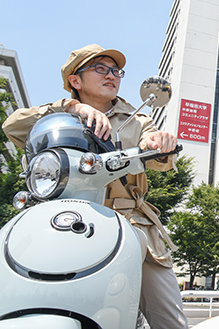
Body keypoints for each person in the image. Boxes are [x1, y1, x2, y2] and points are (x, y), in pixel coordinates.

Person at [3, 44, 188, 329]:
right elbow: (12, 126)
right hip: (66, 221)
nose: (112, 75)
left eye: (116, 71)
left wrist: (161, 144)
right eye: (100, 68)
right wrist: (73, 107)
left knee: (171, 322)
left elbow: (159, 154)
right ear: (75, 81)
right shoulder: (57, 117)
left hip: (132, 222)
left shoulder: (136, 118)